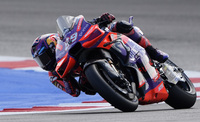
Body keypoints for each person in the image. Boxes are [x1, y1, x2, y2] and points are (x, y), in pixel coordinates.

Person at [31, 13, 169, 97]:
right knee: (86, 87)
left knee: (120, 26)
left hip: (96, 43)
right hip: (89, 74)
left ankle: (153, 51)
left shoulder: (67, 41)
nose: (45, 62)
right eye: (40, 60)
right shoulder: (54, 75)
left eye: (45, 57)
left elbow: (83, 27)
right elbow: (74, 92)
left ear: (55, 46)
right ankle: (118, 86)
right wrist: (66, 79)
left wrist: (101, 19)